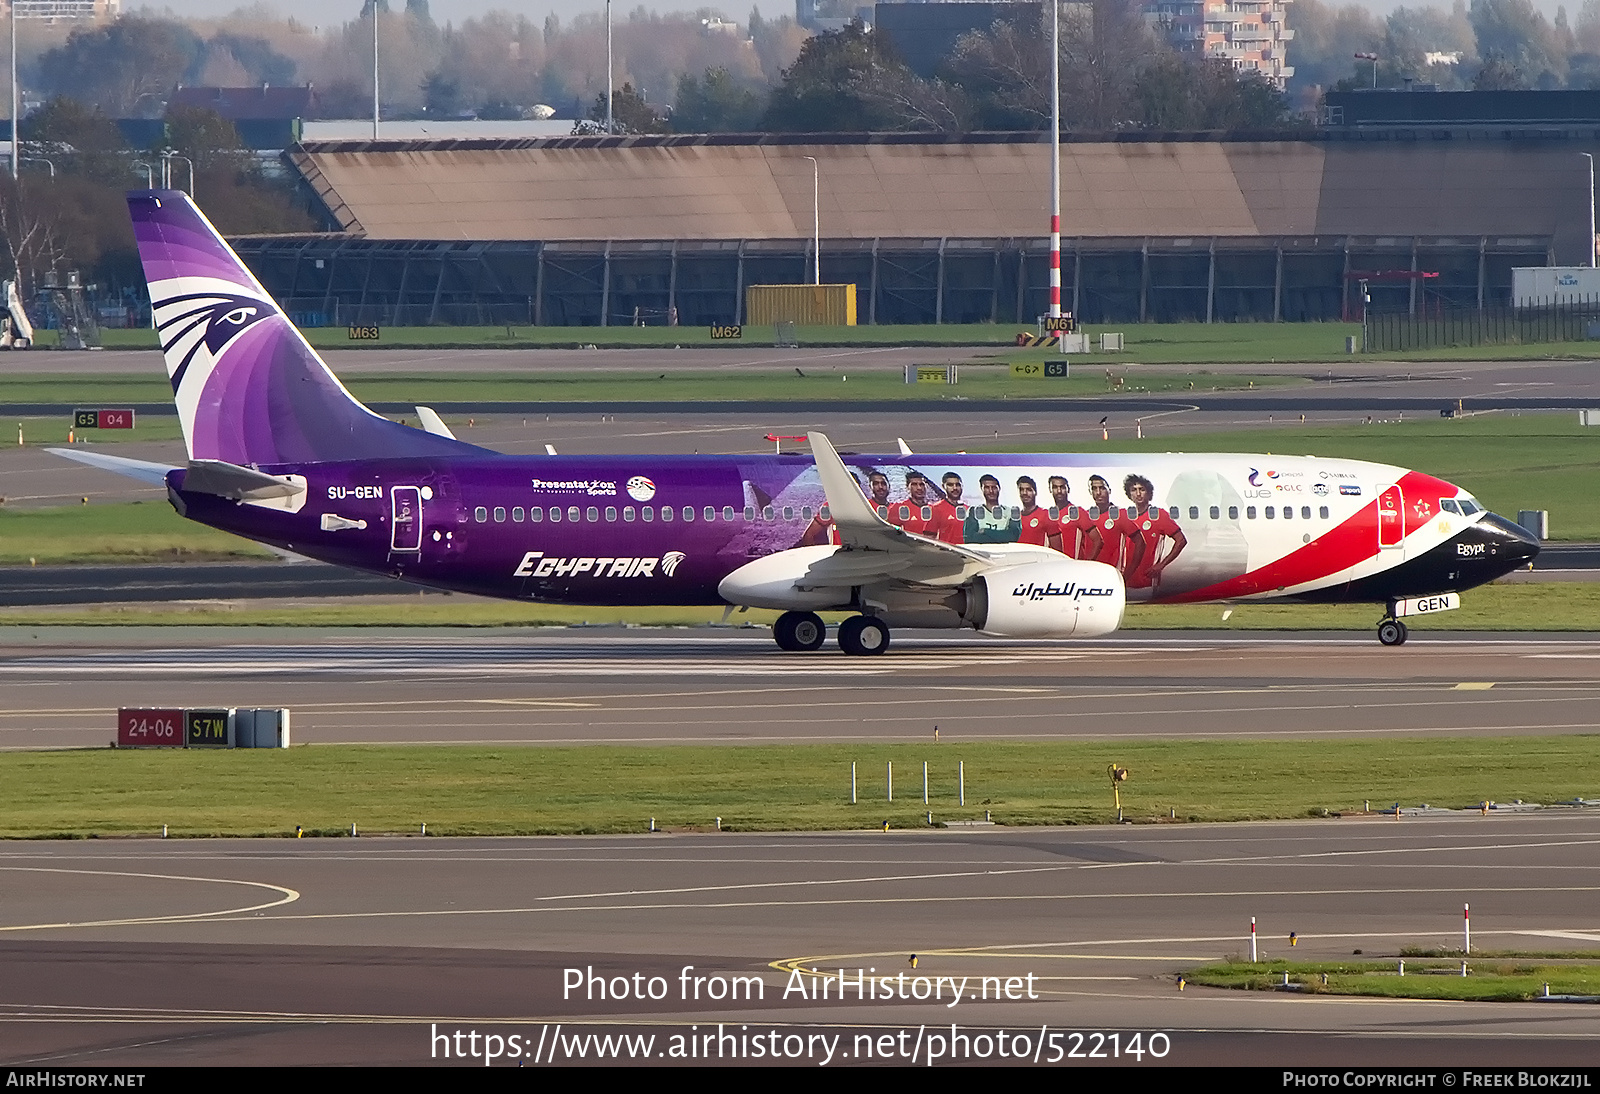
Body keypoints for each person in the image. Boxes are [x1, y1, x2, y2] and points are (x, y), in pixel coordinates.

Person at [1123, 474, 1187, 592]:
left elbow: (1181, 540)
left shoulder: (1158, 515)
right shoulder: (1127, 518)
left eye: (1142, 490)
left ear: (1149, 493)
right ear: (1129, 494)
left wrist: (1161, 565)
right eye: (1133, 490)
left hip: (1148, 581)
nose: (1138, 494)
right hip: (1127, 580)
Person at [1088, 473, 1143, 576]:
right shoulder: (1086, 516)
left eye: (1102, 488)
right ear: (1090, 492)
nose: (1098, 492)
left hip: (1112, 575)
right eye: (1094, 489)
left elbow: (1140, 542)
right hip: (1090, 575)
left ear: (1109, 490)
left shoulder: (1120, 514)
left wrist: (1129, 572)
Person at [1047, 474, 1096, 558]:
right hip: (1055, 566)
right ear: (1050, 490)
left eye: (1062, 487)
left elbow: (1097, 540)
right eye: (1055, 487)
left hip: (1075, 567)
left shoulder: (1078, 512)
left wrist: (1088, 563)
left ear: (1068, 489)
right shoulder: (1048, 515)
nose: (1059, 491)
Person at [963, 473, 1019, 543]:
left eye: (994, 487)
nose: (991, 491)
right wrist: (1001, 536)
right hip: (980, 553)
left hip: (1004, 553)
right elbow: (970, 539)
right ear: (981, 489)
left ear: (999, 488)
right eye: (987, 487)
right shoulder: (973, 511)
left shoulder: (1010, 512)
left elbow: (1013, 536)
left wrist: (985, 531)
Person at [887, 470, 940, 537]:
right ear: (907, 487)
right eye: (914, 484)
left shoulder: (935, 509)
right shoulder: (898, 508)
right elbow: (891, 533)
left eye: (922, 484)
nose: (919, 488)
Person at [1016, 475, 1060, 549]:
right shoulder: (1015, 519)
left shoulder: (1046, 515)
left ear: (1035, 492)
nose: (1024, 493)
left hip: (1039, 559)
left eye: (1028, 490)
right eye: (1021, 490)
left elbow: (1057, 549)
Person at [932, 471, 967, 544]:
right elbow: (930, 537)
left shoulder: (968, 509)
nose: (955, 488)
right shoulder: (936, 508)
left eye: (957, 485)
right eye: (950, 485)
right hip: (947, 553)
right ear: (943, 486)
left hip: (967, 553)